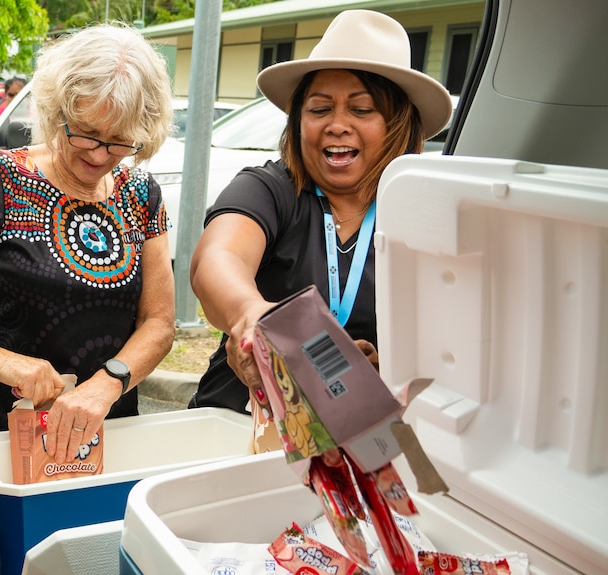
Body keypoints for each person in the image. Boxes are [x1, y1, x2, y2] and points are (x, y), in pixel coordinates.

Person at [0, 22, 175, 464]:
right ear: (55, 110)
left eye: (119, 140)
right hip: (3, 435)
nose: (99, 155)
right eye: (83, 132)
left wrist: (108, 383)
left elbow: (159, 322)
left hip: (110, 432)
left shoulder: (140, 194)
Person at [188, 9, 453, 415]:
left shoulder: (424, 217)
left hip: (365, 434)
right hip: (239, 422)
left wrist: (385, 370)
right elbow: (217, 258)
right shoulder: (269, 188)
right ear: (297, 122)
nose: (337, 125)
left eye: (361, 110)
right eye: (319, 109)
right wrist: (252, 316)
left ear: (398, 124)